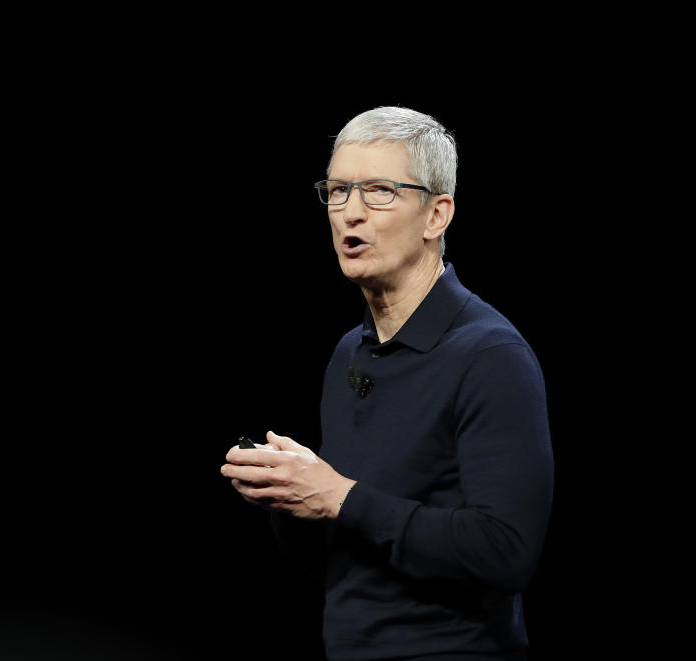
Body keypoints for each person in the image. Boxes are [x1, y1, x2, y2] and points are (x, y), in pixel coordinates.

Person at [221, 106, 554, 661]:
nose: (351, 213)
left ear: (436, 215)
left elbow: (507, 553)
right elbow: (345, 552)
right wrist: (291, 495)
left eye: (379, 191)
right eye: (338, 190)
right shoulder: (350, 352)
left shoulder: (492, 356)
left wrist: (337, 496)